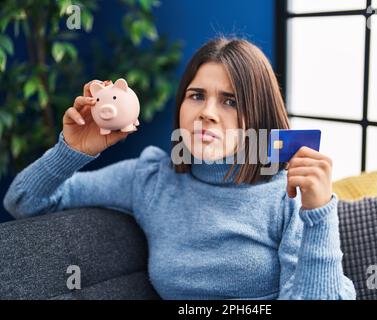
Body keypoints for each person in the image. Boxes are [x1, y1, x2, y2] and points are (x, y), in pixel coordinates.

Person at [3, 38, 356, 300]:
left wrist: (319, 214)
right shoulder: (152, 177)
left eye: (230, 101)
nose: (207, 112)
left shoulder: (288, 193)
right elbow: (24, 201)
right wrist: (74, 151)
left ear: (258, 115)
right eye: (197, 95)